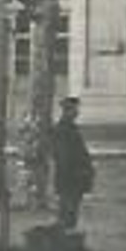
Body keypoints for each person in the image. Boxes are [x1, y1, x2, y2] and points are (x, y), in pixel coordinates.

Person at [50, 97, 94, 232]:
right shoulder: (63, 130)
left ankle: (65, 237)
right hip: (70, 177)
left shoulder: (70, 128)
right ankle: (63, 240)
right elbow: (64, 157)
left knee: (71, 209)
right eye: (74, 110)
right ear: (67, 111)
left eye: (76, 109)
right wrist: (78, 173)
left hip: (74, 177)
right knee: (68, 209)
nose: (77, 112)